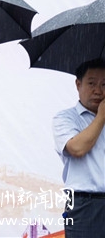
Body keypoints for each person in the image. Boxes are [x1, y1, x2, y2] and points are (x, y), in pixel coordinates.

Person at [52, 57, 105, 238]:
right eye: (92, 83)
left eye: (104, 84)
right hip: (82, 204)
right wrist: (101, 116)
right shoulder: (65, 118)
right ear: (78, 84)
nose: (98, 91)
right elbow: (77, 148)